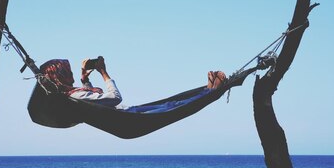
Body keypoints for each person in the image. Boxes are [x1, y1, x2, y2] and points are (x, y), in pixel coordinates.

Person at [40, 57, 227, 109]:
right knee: (172, 105)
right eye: (67, 71)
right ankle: (210, 91)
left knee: (171, 103)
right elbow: (114, 98)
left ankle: (207, 91)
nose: (71, 73)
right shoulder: (74, 96)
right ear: (60, 75)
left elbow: (93, 100)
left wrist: (85, 79)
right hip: (129, 116)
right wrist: (104, 72)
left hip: (127, 115)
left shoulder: (73, 94)